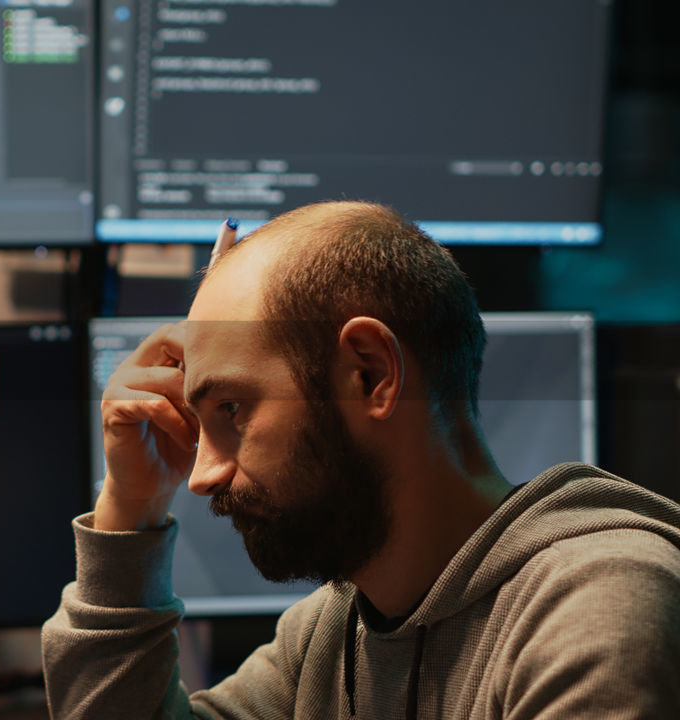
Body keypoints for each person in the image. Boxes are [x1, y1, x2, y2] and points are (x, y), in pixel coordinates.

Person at [41, 201, 680, 719]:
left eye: (231, 409)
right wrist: (132, 506)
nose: (203, 476)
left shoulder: (597, 611)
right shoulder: (332, 636)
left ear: (371, 374)